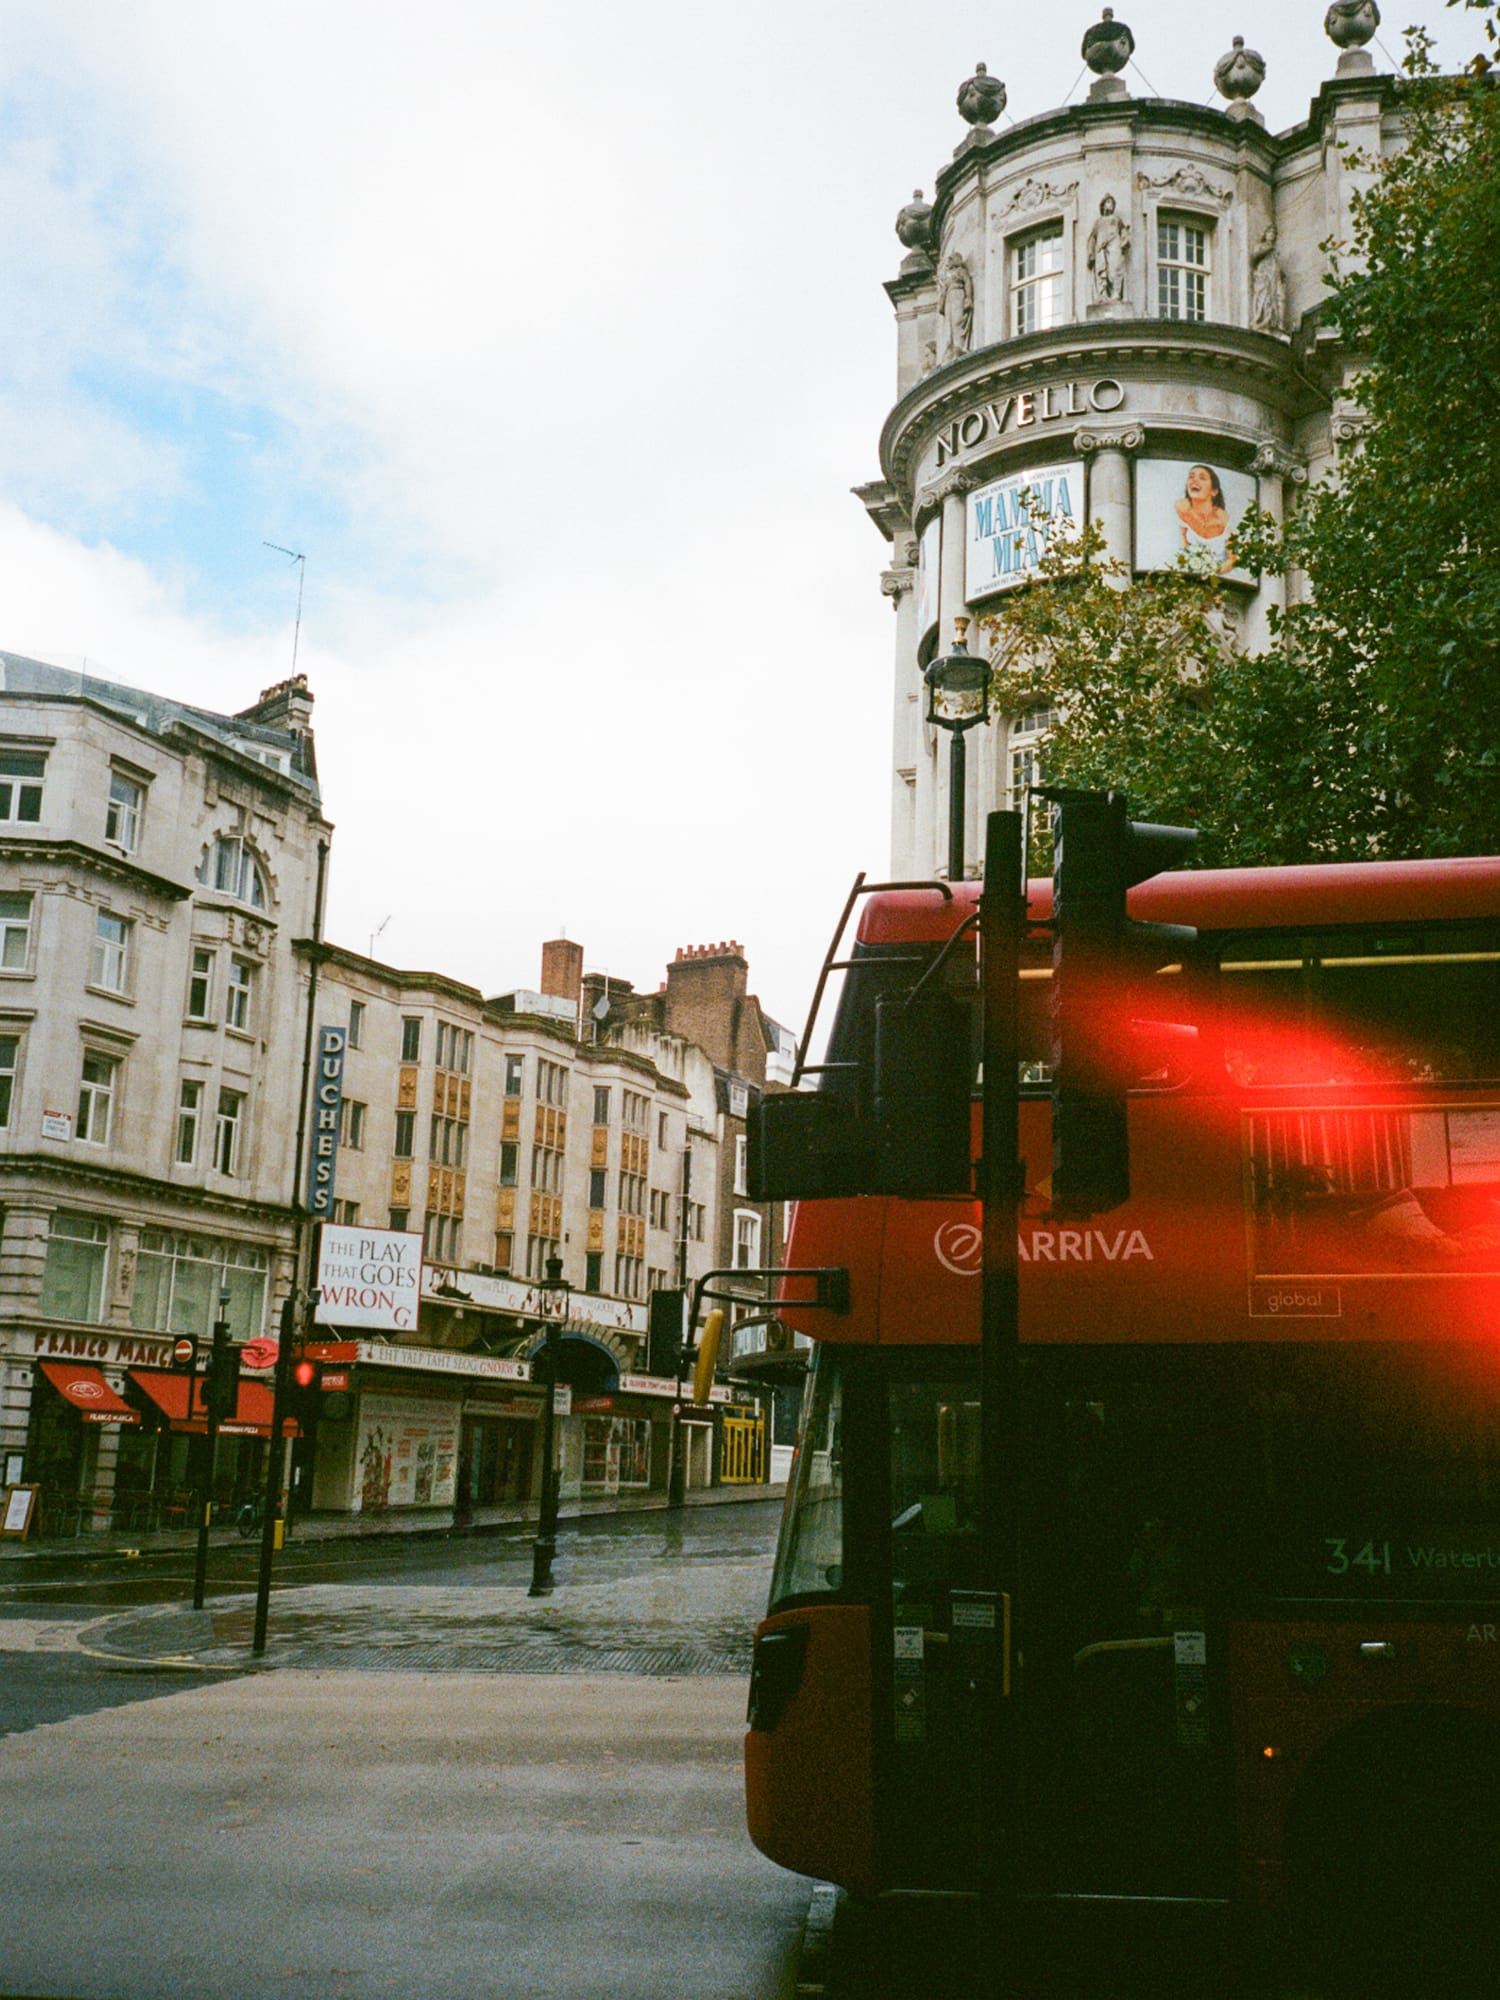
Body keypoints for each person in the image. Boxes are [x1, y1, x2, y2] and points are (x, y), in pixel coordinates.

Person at [1174, 463, 1233, 573]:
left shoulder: (1223, 519)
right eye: (1191, 477)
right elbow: (1184, 548)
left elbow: (1233, 559)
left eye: (1202, 478)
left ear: (1214, 491)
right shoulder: (1182, 509)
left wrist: (1210, 573)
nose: (1194, 481)